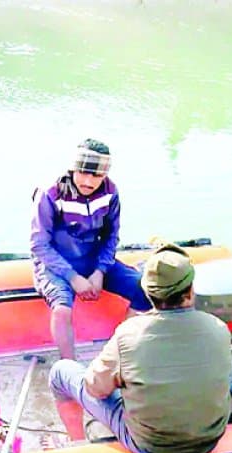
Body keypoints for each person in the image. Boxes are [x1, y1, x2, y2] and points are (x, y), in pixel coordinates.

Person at [47, 243, 232, 453]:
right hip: (209, 441)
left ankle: (77, 443)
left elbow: (94, 389)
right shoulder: (219, 328)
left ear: (148, 293)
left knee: (61, 371)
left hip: (150, 446)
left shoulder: (128, 334)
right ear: (190, 292)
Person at [30, 138, 151, 361]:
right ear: (73, 168)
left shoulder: (110, 193)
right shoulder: (50, 194)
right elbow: (39, 245)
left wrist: (100, 271)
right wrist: (72, 277)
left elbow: (111, 237)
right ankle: (69, 367)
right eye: (83, 172)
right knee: (62, 309)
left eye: (97, 175)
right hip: (55, 264)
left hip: (94, 258)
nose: (89, 180)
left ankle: (117, 352)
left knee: (143, 290)